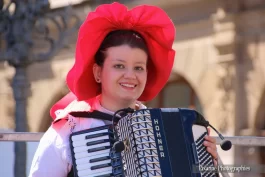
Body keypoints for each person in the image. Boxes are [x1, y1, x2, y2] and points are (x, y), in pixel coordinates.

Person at [28, 2, 218, 177]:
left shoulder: (165, 127)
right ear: (98, 72)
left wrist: (209, 166)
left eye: (139, 68)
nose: (130, 75)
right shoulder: (70, 128)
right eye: (119, 66)